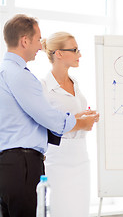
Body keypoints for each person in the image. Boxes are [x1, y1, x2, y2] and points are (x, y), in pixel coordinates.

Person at [0, 14, 98, 217]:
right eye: (37, 40)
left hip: (15, 162)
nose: (39, 45)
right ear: (24, 41)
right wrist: (79, 122)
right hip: (23, 162)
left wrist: (75, 119)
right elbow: (47, 117)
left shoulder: (6, 72)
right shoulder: (21, 76)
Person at [41, 32, 98, 217]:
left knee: (81, 211)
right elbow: (46, 125)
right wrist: (80, 123)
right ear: (58, 54)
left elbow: (69, 116)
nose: (79, 54)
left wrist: (82, 117)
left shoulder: (75, 83)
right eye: (74, 50)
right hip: (59, 159)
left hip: (81, 157)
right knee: (62, 210)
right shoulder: (43, 87)